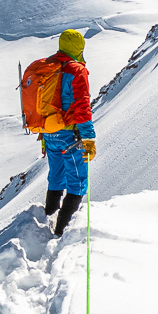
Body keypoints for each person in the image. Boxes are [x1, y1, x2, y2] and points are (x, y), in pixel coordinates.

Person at [41, 29, 97, 236]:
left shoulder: (49, 65)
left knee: (56, 177)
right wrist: (89, 138)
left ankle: (47, 219)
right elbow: (83, 107)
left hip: (49, 132)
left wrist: (45, 136)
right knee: (78, 182)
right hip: (70, 136)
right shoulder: (76, 70)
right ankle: (61, 233)